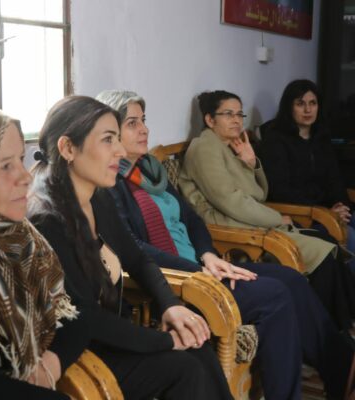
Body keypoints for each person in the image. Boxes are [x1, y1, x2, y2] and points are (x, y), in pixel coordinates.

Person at [96, 89, 355, 400]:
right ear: (110, 134)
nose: (144, 129)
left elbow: (193, 220)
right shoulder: (110, 183)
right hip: (183, 280)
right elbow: (133, 247)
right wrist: (198, 269)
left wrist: (208, 255)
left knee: (292, 279)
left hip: (203, 263)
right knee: (275, 296)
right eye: (133, 123)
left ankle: (341, 367)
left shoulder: (151, 170)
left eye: (144, 120)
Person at [27, 95, 233, 400]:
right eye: (108, 139)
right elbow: (85, 318)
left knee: (198, 347)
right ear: (68, 148)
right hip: (82, 351)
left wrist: (170, 305)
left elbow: (138, 259)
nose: (121, 151)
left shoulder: (98, 197)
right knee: (185, 367)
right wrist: (165, 341)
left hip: (113, 332)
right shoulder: (47, 220)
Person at [177, 89, 355, 332]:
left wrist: (251, 163)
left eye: (239, 114)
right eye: (228, 114)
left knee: (328, 243)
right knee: (322, 255)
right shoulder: (205, 147)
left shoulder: (230, 146)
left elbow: (260, 194)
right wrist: (276, 218)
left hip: (247, 219)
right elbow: (230, 200)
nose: (236, 120)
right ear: (210, 119)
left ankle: (342, 324)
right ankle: (331, 330)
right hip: (228, 226)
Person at [0, 106, 88, 400]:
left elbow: (78, 311)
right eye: (5, 166)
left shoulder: (21, 235)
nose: (26, 176)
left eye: (20, 159)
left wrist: (52, 363)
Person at [259, 79, 355, 272]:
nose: (308, 110)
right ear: (289, 107)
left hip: (328, 211)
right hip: (302, 215)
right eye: (300, 103)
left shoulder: (321, 136)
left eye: (313, 103)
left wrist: (342, 207)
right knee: (351, 237)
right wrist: (327, 212)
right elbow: (280, 190)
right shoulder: (275, 140)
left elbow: (334, 179)